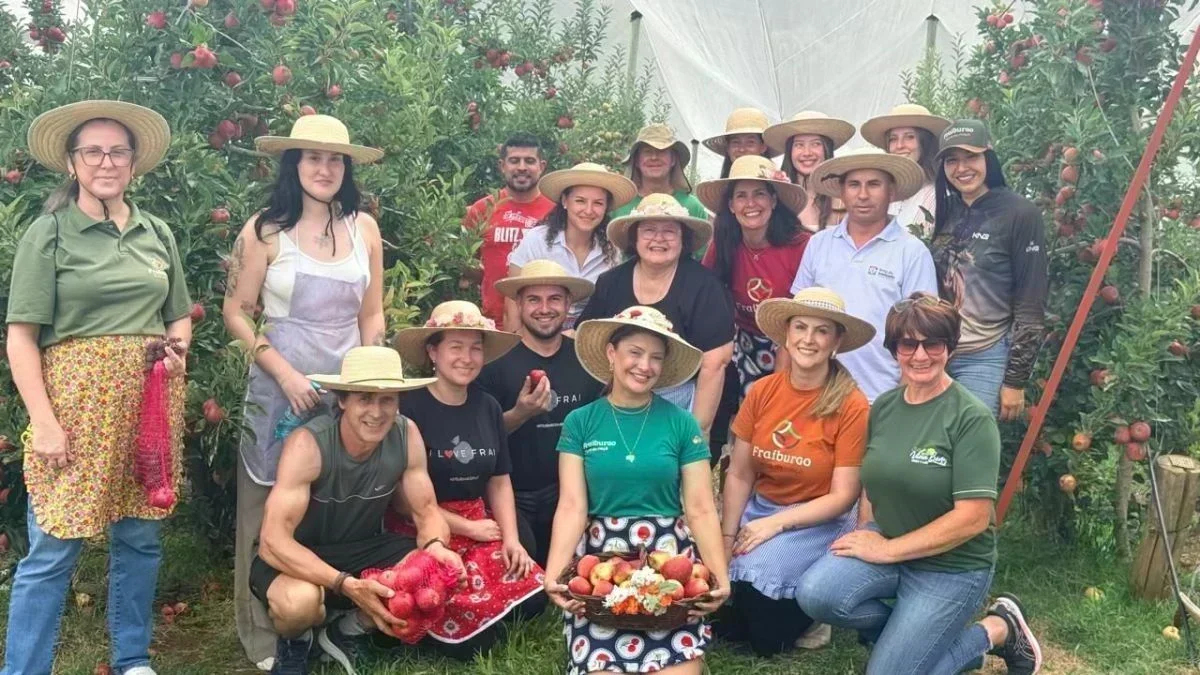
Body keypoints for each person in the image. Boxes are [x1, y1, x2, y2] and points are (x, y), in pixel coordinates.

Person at [3, 100, 191, 675]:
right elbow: (20, 339)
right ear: (73, 162)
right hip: (75, 410)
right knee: (53, 547)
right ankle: (23, 669)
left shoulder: (156, 231)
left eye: (118, 151)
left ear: (133, 162)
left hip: (149, 406)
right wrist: (45, 422)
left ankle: (131, 658)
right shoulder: (50, 233)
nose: (106, 162)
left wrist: (178, 350)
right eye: (93, 151)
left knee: (140, 538)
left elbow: (177, 313)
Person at [796, 294, 1042, 675]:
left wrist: (889, 551)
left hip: (951, 566)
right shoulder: (884, 407)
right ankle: (909, 639)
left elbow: (974, 518)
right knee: (816, 595)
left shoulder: (971, 418)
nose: (920, 355)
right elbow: (872, 482)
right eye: (908, 344)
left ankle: (997, 630)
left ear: (950, 347)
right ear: (895, 349)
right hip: (889, 544)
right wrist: (866, 534)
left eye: (933, 343)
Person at [224, 114, 387, 670]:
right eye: (312, 157)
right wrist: (286, 374)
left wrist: (371, 377)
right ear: (293, 164)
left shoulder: (364, 229)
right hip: (279, 391)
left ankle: (330, 614)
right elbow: (236, 314)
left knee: (331, 502)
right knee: (265, 504)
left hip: (347, 393)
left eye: (335, 159)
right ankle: (266, 634)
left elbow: (373, 312)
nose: (325, 168)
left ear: (346, 168)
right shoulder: (265, 229)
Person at [248, 346, 463, 675]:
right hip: (297, 554)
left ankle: (346, 630)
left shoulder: (406, 434)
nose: (376, 412)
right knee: (299, 605)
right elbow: (273, 541)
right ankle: (297, 640)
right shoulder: (309, 445)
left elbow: (427, 512)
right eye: (364, 398)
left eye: (387, 400)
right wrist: (345, 584)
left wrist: (436, 547)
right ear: (343, 400)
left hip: (361, 548)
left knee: (430, 568)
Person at [543, 306, 730, 674]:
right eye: (635, 352)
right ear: (612, 354)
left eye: (656, 357)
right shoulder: (580, 422)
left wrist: (719, 577)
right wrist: (554, 575)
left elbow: (700, 507)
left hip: (669, 561)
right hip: (601, 563)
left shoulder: (681, 423)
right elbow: (571, 506)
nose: (645, 365)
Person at [716, 288, 873, 657]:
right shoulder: (763, 391)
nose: (808, 339)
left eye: (821, 331)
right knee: (717, 585)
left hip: (818, 517)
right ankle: (775, 600)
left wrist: (775, 526)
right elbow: (739, 474)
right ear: (785, 334)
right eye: (800, 327)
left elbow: (843, 496)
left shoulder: (852, 403)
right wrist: (726, 536)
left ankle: (814, 613)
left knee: (762, 637)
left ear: (836, 341)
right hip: (762, 506)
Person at [390, 301, 546, 657]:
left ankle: (479, 609)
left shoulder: (487, 405)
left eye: (476, 348)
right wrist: (467, 528)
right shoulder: (408, 406)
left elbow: (499, 479)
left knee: (535, 597)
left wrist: (511, 539)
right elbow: (400, 498)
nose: (467, 357)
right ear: (433, 351)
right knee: (469, 638)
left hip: (478, 517)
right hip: (427, 527)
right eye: (456, 347)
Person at [479, 261, 604, 565]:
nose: (544, 309)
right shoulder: (495, 362)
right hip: (510, 494)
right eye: (534, 299)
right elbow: (482, 440)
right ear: (519, 303)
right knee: (527, 582)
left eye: (554, 299)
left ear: (568, 304)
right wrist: (520, 414)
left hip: (568, 493)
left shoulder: (587, 362)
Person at [578, 194, 733, 439]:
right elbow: (588, 336)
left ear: (683, 238)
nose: (659, 238)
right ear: (634, 237)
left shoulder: (704, 286)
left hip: (680, 398)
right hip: (617, 393)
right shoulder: (611, 281)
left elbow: (715, 362)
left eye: (670, 231)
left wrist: (697, 433)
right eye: (649, 230)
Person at [790, 147, 938, 403]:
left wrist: (904, 400)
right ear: (842, 192)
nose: (863, 194)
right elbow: (796, 318)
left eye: (874, 184)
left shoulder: (912, 252)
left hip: (881, 395)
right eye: (854, 185)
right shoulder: (819, 244)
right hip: (816, 392)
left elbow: (921, 333)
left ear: (890, 192)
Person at [695, 154, 808, 466]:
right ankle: (715, 465)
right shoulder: (725, 240)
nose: (750, 204)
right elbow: (709, 291)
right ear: (730, 205)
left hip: (793, 342)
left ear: (773, 200)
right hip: (743, 343)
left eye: (759, 193)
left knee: (781, 420)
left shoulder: (801, 244)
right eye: (741, 196)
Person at [930, 120, 1048, 419]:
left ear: (989, 158)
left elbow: (1031, 302)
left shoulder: (1020, 213)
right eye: (952, 160)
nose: (962, 168)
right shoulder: (947, 211)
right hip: (934, 354)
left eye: (971, 157)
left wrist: (1015, 380)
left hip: (984, 357)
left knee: (970, 447)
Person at [506, 163, 637, 329]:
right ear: (565, 201)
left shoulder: (612, 249)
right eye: (580, 201)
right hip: (537, 337)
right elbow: (512, 303)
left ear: (606, 208)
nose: (588, 210)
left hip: (587, 341)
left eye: (598, 203)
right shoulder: (536, 240)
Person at [463, 133, 556, 325]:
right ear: (502, 166)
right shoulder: (481, 210)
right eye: (514, 161)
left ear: (542, 166)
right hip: (491, 324)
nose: (522, 167)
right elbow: (466, 262)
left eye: (529, 161)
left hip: (543, 323)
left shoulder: (556, 212)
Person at [861, 103, 951, 240]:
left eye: (909, 137)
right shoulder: (883, 193)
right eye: (893, 139)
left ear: (925, 143)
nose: (899, 146)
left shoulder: (939, 195)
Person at [763, 111, 855, 232]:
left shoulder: (844, 199)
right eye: (799, 145)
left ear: (827, 149)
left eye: (816, 144)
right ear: (790, 151)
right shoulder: (777, 197)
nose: (807, 153)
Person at [610, 123, 709, 220]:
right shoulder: (618, 207)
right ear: (636, 161)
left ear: (673, 160)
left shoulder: (693, 207)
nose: (654, 157)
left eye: (662, 151)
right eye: (647, 151)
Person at [702, 107, 780, 178]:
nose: (742, 149)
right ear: (728, 148)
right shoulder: (722, 190)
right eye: (736, 142)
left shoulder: (778, 186)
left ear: (763, 147)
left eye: (750, 142)